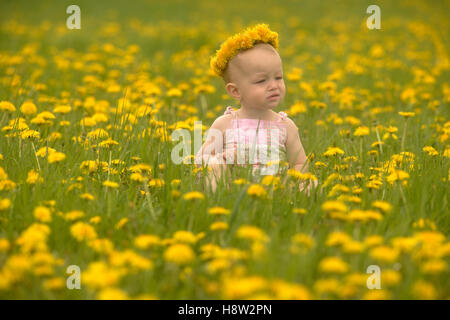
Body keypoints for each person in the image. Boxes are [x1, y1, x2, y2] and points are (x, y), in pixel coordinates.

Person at [195, 24, 317, 194]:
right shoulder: (225, 124)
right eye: (261, 81)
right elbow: (200, 160)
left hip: (275, 189)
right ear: (235, 91)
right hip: (232, 190)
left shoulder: (285, 125)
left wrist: (298, 182)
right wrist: (225, 157)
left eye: (278, 77)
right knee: (214, 166)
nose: (274, 86)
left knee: (311, 183)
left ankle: (288, 204)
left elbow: (299, 163)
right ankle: (222, 202)